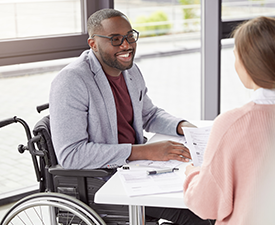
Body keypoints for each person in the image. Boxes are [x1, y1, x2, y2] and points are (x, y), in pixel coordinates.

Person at [49, 8, 211, 225]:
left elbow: (149, 114)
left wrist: (182, 126)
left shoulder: (130, 71)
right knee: (198, 213)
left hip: (136, 169)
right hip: (105, 180)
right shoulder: (71, 81)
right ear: (93, 44)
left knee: (207, 196)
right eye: (115, 39)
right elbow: (71, 154)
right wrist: (143, 151)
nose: (126, 45)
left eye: (129, 37)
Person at [183, 16, 275, 225]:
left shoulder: (231, 124)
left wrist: (193, 174)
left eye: (236, 56)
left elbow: (205, 205)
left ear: (245, 63)